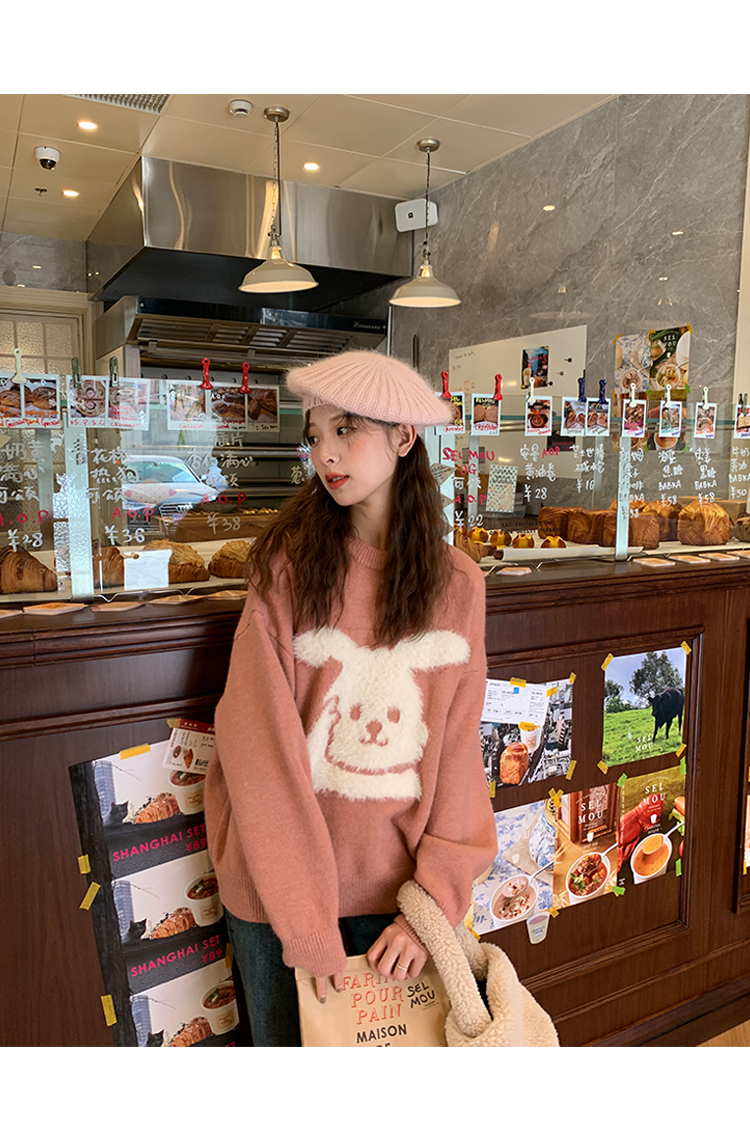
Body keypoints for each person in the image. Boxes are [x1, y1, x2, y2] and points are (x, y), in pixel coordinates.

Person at [205, 350, 498, 1046]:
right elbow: (256, 747)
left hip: (398, 902)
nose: (325, 453)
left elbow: (458, 757)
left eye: (346, 429)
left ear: (404, 436)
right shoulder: (287, 569)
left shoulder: (458, 586)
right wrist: (304, 923)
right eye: (315, 435)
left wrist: (430, 907)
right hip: (280, 900)